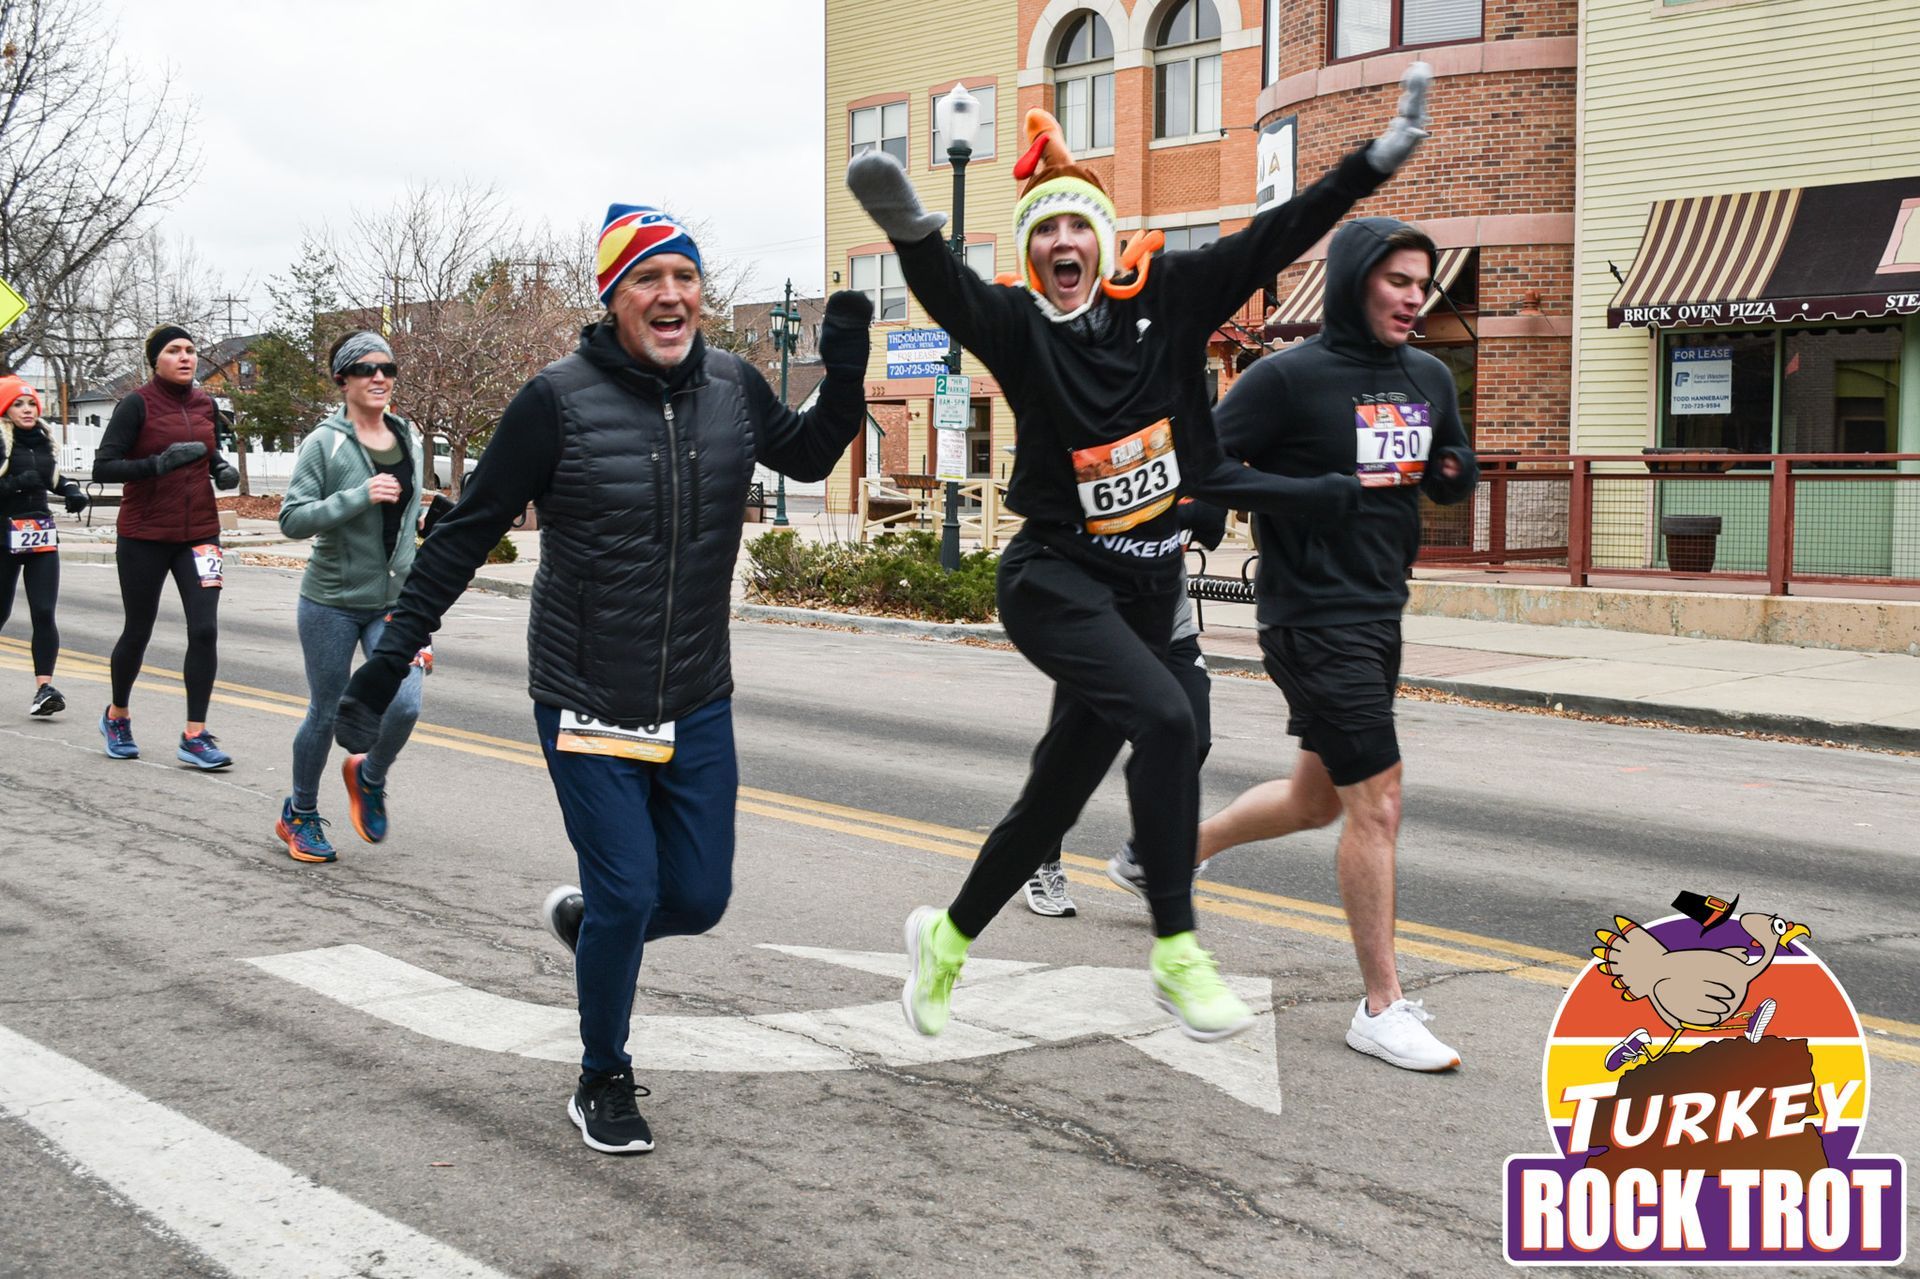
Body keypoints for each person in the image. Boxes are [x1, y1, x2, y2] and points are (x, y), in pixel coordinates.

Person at [846, 66, 1434, 1044]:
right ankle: (1177, 948)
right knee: (1166, 722)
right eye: (1044, 232)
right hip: (1053, 576)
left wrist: (1370, 165)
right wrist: (908, 224)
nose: (1062, 243)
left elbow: (1278, 231)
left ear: (1104, 239)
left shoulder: (1175, 293)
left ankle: (943, 940)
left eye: (1076, 226)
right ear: (1032, 255)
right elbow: (946, 286)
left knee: (1054, 801)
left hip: (1144, 592)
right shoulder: (1022, 328)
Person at [331, 206, 872, 1155]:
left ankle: (591, 926)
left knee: (698, 897)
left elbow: (814, 453)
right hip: (586, 688)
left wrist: (847, 366)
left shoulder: (735, 385)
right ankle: (601, 1074)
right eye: (646, 281)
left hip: (697, 689)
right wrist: (384, 664)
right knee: (630, 892)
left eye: (684, 279)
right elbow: (463, 533)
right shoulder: (557, 400)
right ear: (613, 299)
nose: (670, 297)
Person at [1198, 216, 1480, 1073]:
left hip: (1378, 609)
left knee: (1316, 800)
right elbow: (1200, 463)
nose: (1413, 297)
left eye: (1422, 283)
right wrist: (1302, 495)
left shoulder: (1428, 373)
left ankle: (1169, 854)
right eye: (1397, 279)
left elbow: (1455, 455)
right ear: (1358, 279)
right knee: (1379, 801)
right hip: (1310, 616)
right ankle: (1380, 1005)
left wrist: (1452, 471)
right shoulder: (1289, 378)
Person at [274, 332, 450, 864]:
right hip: (330, 600)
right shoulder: (322, 443)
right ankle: (299, 814)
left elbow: (405, 516)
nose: (379, 377)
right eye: (366, 368)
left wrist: (429, 514)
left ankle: (367, 775)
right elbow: (291, 519)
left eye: (388, 368)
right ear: (344, 379)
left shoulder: (406, 436)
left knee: (406, 702)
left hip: (395, 600)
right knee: (327, 713)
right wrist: (357, 496)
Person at [1022, 494, 1227, 917]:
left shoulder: (1191, 459)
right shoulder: (1111, 460)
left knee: (1194, 736)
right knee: (1071, 761)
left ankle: (1142, 857)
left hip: (1172, 630)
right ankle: (1040, 859)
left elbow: (1213, 524)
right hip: (1101, 632)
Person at [92, 324, 241, 767]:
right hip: (144, 535)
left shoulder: (205, 402)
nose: (186, 357)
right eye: (174, 351)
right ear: (155, 359)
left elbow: (207, 448)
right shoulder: (135, 404)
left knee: (205, 629)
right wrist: (157, 464)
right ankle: (117, 714)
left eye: (191, 350)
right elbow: (104, 467)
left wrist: (220, 468)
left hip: (199, 532)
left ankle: (195, 734)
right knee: (139, 629)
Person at [1, 376, 88, 715]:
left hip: (39, 536)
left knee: (43, 612)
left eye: (32, 403)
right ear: (6, 409)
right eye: (19, 404)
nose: (27, 409)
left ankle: (44, 688)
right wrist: (14, 484)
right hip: (3, 536)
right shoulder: (0, 440)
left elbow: (53, 478)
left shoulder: (42, 440)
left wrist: (73, 492)